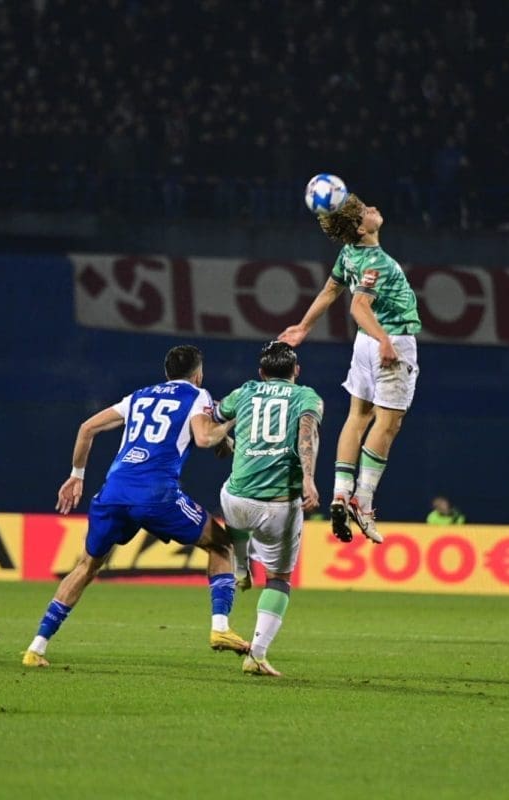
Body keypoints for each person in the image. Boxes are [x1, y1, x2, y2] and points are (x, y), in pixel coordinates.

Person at [22, 345, 246, 667]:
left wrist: (76, 475)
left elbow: (87, 428)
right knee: (221, 545)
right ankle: (220, 628)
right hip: (156, 494)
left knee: (86, 566)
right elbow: (203, 438)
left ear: (166, 372)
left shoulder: (139, 396)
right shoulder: (198, 396)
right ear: (198, 373)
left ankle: (36, 647)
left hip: (113, 492)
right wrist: (227, 427)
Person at [279, 193, 421, 545]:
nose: (373, 208)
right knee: (389, 423)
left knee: (358, 416)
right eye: (365, 211)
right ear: (360, 227)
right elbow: (358, 306)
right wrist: (385, 340)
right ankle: (364, 499)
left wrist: (304, 326)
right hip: (391, 341)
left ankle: (341, 493)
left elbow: (330, 291)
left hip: (362, 346)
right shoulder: (379, 263)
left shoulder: (349, 254)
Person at [214, 341, 323, 677]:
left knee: (237, 523)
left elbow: (211, 416)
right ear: (296, 371)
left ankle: (241, 563)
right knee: (279, 579)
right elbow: (307, 431)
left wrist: (224, 442)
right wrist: (308, 478)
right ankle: (256, 656)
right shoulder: (306, 396)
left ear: (261, 373)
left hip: (236, 499)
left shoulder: (245, 391)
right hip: (278, 505)